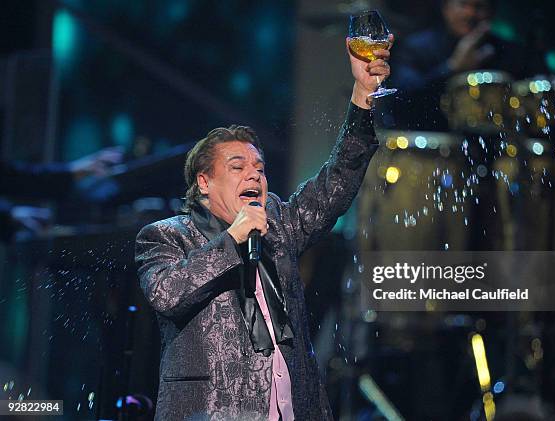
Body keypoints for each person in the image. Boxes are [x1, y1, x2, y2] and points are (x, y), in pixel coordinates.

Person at [134, 36, 392, 420]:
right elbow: (166, 292)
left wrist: (362, 94)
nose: (254, 174)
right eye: (237, 167)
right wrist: (231, 241)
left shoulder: (277, 225)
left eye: (259, 168)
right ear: (204, 182)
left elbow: (334, 183)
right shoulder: (167, 235)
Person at [389, 0, 542, 130]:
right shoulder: (416, 47)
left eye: (479, 7)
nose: (470, 14)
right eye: (463, 4)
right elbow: (401, 98)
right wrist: (452, 68)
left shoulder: (512, 53)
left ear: (492, 13)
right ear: (446, 8)